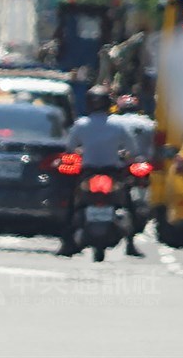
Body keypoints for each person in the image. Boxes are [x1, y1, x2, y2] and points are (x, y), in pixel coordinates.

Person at [57, 84, 144, 257]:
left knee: (72, 205)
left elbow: (69, 148)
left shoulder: (81, 124)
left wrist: (80, 152)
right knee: (128, 203)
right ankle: (131, 244)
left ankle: (66, 243)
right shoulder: (118, 126)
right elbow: (133, 150)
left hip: (88, 172)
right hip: (113, 172)